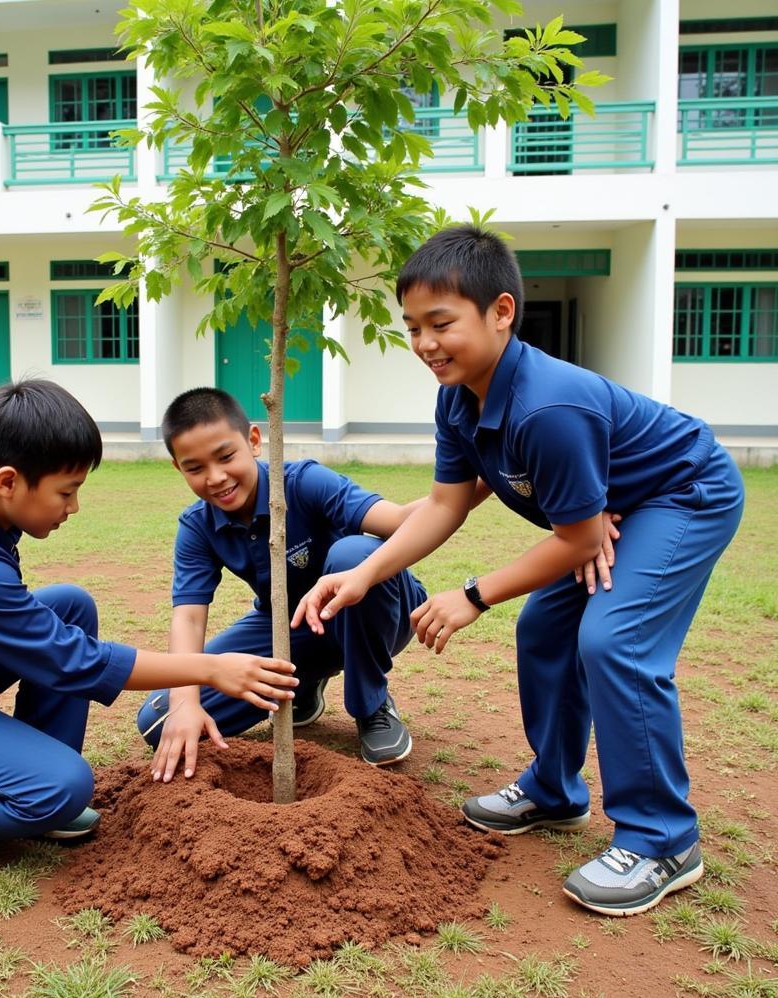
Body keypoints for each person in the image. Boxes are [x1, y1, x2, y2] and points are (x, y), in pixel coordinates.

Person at [293, 226, 744, 918]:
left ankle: (663, 839)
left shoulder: (547, 407)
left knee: (613, 642)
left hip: (683, 495)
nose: (425, 344)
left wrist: (473, 594)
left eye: (441, 323)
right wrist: (364, 573)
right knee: (545, 631)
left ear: (501, 311)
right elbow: (447, 504)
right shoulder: (458, 398)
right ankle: (555, 791)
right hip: (608, 508)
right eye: (412, 327)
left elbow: (578, 536)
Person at [0, 379, 296, 875]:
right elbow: (71, 660)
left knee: (69, 606)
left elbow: (50, 640)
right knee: (64, 788)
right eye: (67, 491)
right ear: (7, 482)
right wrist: (209, 669)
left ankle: (31, 783)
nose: (73, 507)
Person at [134, 387, 428, 781]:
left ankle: (371, 705)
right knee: (158, 721)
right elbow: (187, 618)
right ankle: (302, 682)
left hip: (376, 608)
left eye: (225, 457)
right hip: (289, 627)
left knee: (352, 556)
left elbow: (399, 520)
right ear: (178, 468)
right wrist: (186, 702)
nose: (216, 477)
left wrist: (475, 481)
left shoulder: (304, 482)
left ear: (253, 440)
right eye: (195, 467)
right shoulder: (197, 526)